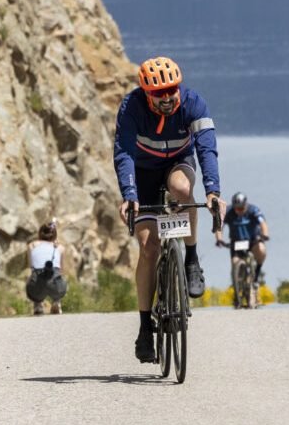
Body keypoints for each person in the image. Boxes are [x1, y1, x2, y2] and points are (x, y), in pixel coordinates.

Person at [114, 56, 221, 363]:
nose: (167, 97)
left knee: (183, 190)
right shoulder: (131, 108)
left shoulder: (193, 104)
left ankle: (190, 259)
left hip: (178, 163)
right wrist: (130, 195)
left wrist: (213, 191)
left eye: (172, 90)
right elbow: (123, 152)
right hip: (144, 171)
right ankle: (145, 327)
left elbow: (207, 148)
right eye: (159, 94)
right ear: (146, 94)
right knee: (148, 247)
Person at [215, 192, 270, 306]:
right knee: (235, 262)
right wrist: (219, 239)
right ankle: (237, 290)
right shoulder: (228, 211)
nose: (239, 211)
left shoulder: (254, 210)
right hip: (236, 242)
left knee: (261, 249)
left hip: (253, 241)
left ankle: (255, 277)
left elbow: (262, 223)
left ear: (246, 205)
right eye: (237, 209)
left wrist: (265, 234)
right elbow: (219, 226)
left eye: (241, 208)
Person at [26, 219, 68, 315]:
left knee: (33, 276)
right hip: (56, 286)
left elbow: (31, 267)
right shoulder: (60, 248)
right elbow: (61, 270)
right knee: (59, 277)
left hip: (37, 286)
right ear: (54, 235)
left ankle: (37, 305)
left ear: (40, 234)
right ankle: (57, 301)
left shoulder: (31, 245)